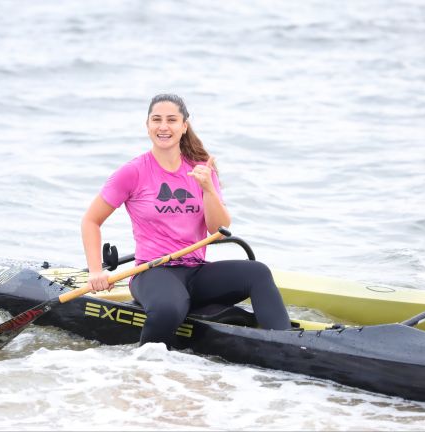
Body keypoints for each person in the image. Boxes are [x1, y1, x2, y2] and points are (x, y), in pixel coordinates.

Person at [81, 93, 291, 347]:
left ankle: (286, 345)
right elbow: (91, 221)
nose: (163, 126)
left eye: (172, 120)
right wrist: (95, 271)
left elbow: (217, 228)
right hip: (153, 272)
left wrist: (208, 189)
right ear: (147, 125)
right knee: (169, 310)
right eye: (156, 119)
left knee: (257, 273)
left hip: (196, 272)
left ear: (184, 126)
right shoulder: (133, 172)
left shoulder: (201, 169)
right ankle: (144, 373)